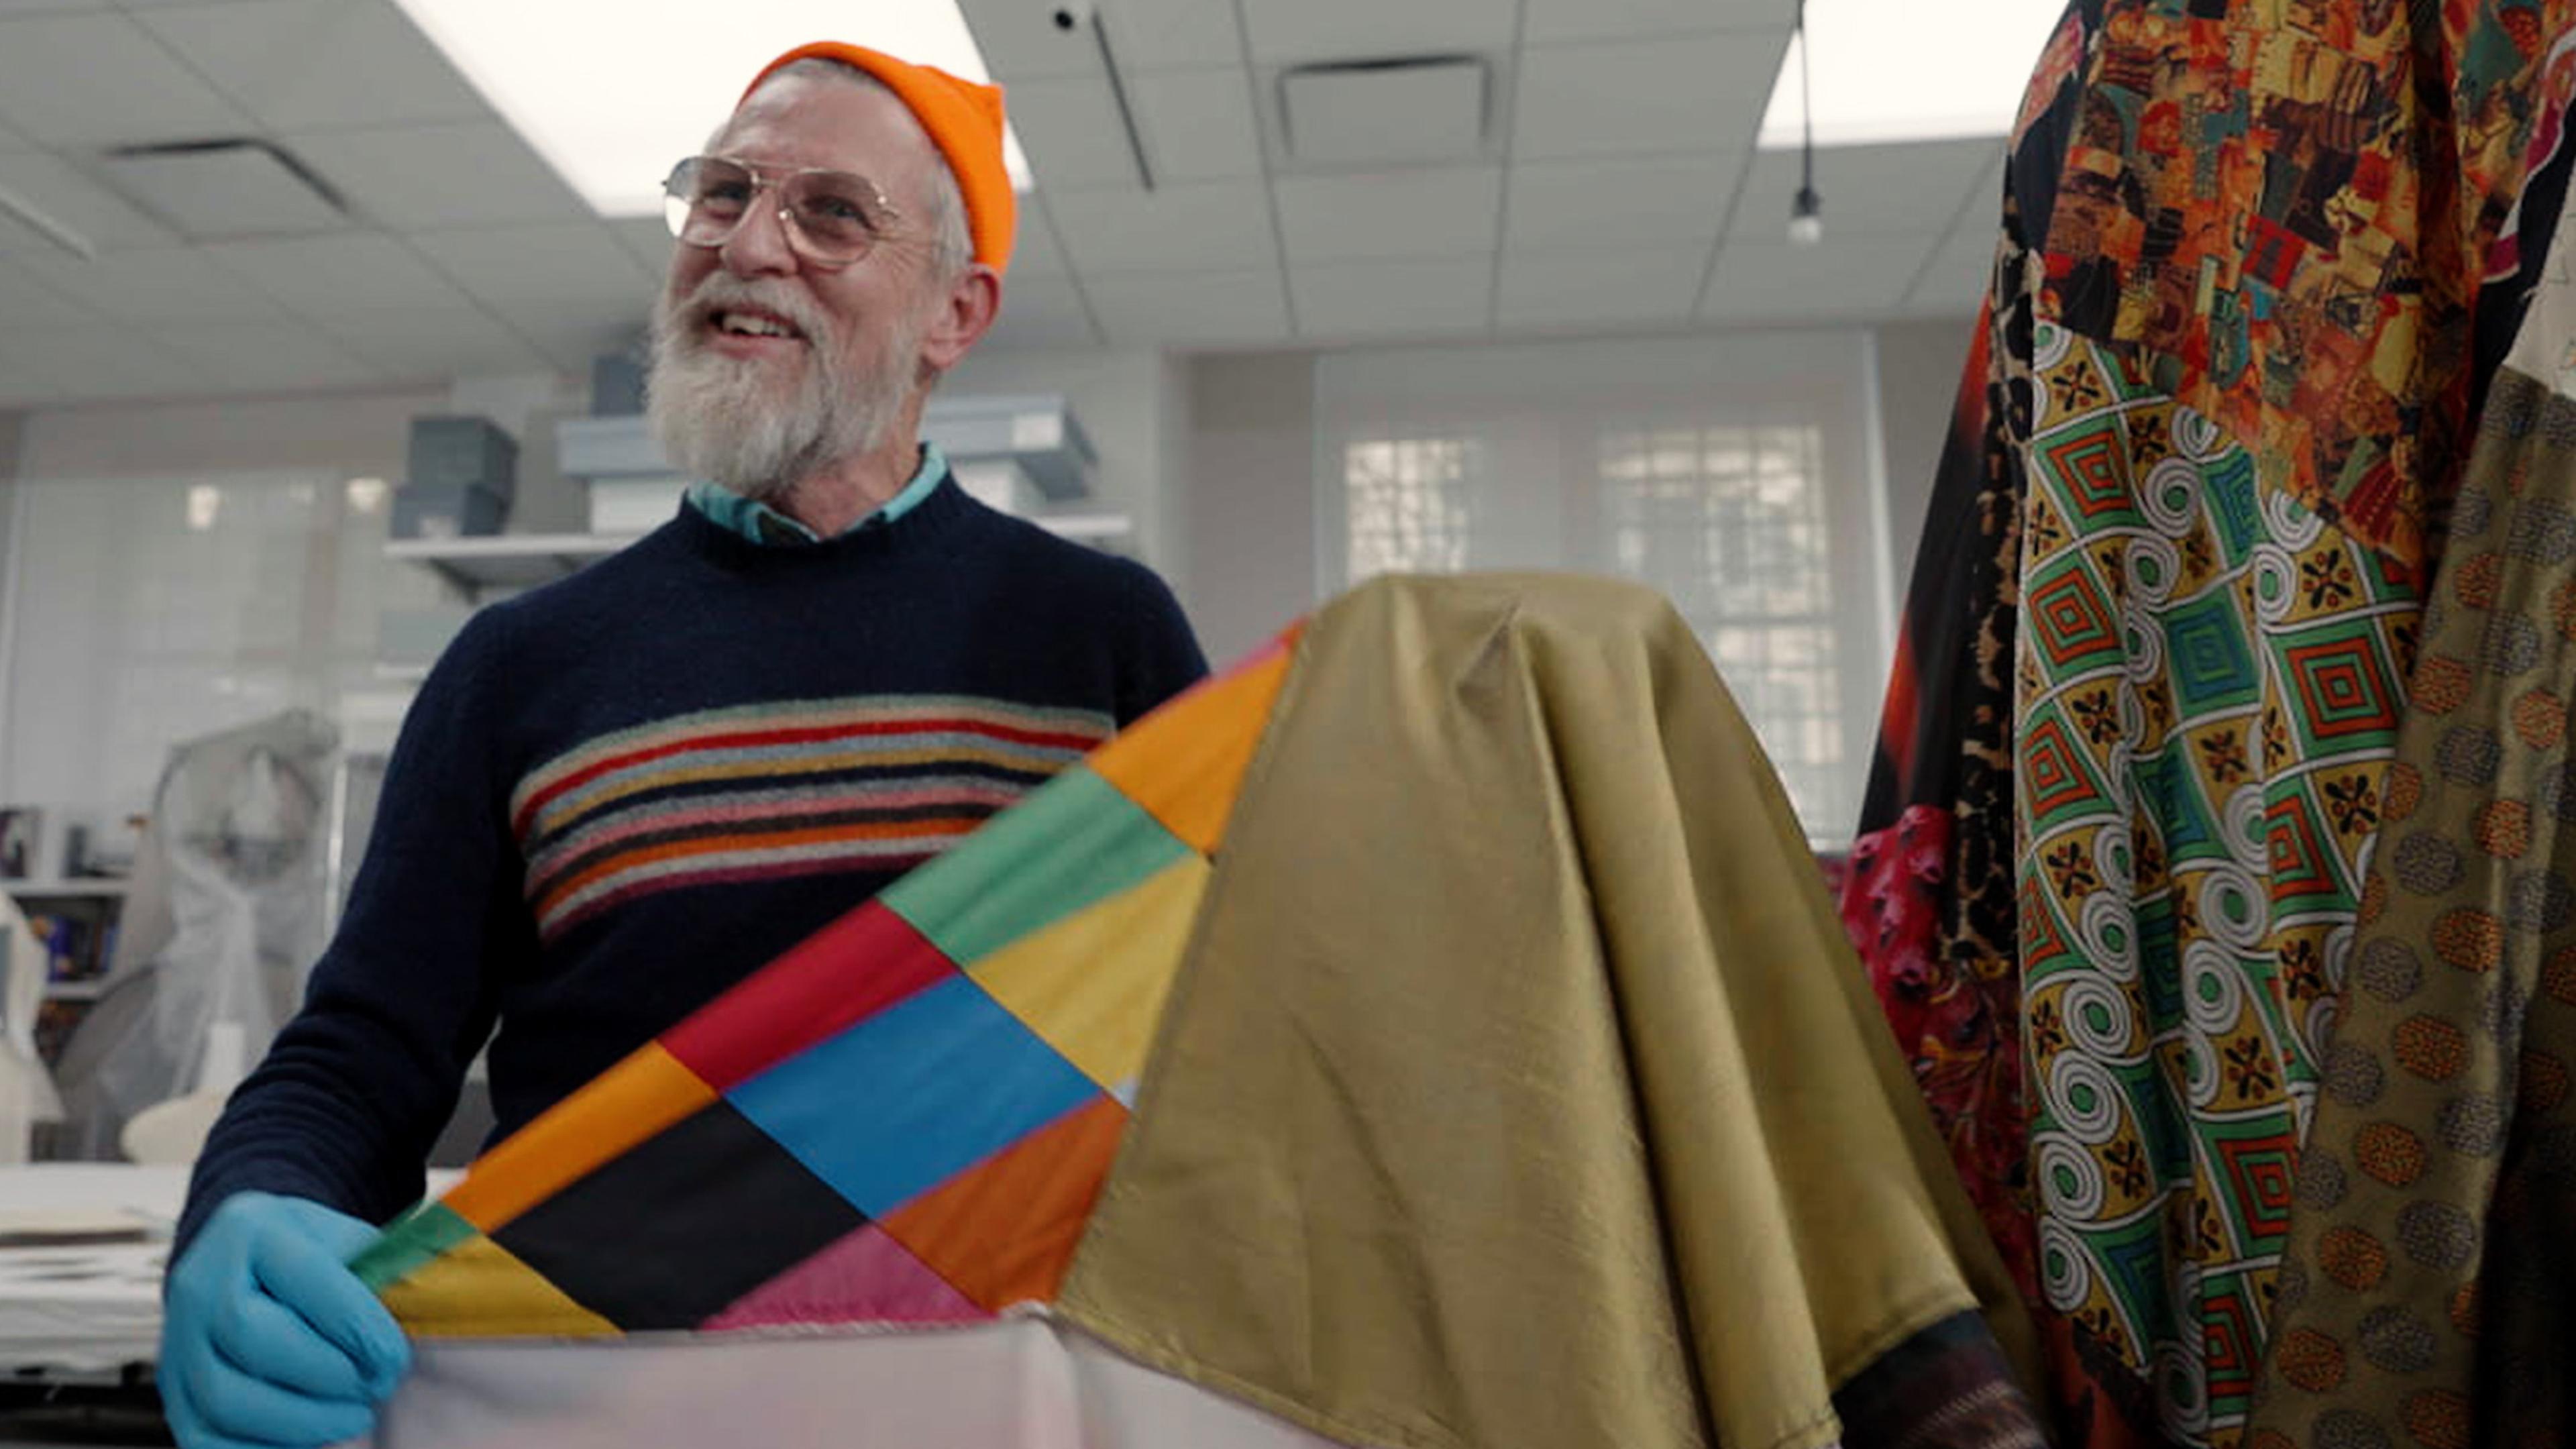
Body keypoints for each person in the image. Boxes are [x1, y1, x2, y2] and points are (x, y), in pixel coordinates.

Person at [157, 41, 1208, 1449]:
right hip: (613, 1397)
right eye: (721, 194)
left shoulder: (1099, 638)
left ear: (957, 313)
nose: (750, 243)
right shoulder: (516, 668)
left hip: (993, 1393)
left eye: (832, 212)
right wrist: (249, 1202)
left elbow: (1221, 1051)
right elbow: (360, 1058)